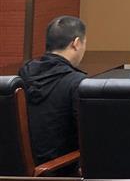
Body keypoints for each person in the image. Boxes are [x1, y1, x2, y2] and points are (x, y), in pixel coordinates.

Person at [17, 16, 88, 171]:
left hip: (18, 172)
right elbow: (88, 137)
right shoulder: (77, 83)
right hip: (60, 172)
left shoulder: (22, 76)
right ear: (76, 43)